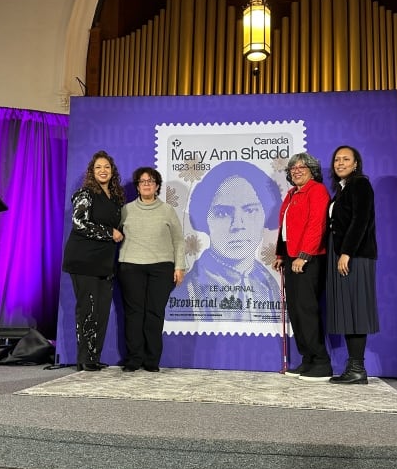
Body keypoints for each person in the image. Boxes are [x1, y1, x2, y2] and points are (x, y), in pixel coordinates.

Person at [170, 161, 282, 321]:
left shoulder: (270, 285)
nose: (237, 225)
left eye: (250, 210)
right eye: (223, 213)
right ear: (205, 219)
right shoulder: (187, 292)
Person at [271, 152, 332, 381]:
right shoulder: (291, 194)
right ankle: (307, 360)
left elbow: (316, 225)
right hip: (291, 257)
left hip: (308, 259)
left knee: (306, 310)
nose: (296, 171)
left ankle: (321, 362)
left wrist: (304, 256)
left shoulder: (316, 190)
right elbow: (286, 228)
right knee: (296, 312)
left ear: (312, 170)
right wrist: (280, 254)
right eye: (293, 168)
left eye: (302, 167)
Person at [62, 150, 125, 371]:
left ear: (112, 171)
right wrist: (110, 233)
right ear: (92, 171)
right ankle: (85, 359)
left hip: (104, 263)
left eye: (106, 167)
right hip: (83, 260)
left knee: (101, 311)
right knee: (87, 310)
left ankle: (93, 357)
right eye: (98, 167)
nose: (103, 171)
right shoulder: (85, 194)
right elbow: (79, 223)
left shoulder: (116, 199)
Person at [118, 167, 186, 372]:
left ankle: (151, 360)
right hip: (131, 266)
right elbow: (113, 232)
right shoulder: (126, 210)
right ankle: (134, 359)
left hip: (161, 268)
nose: (147, 184)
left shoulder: (167, 210)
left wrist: (179, 266)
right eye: (142, 181)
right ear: (137, 186)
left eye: (151, 181)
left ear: (157, 186)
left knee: (154, 313)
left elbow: (178, 240)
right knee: (133, 314)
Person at [326, 145, 379, 385]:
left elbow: (360, 221)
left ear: (356, 163)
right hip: (343, 256)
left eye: (346, 159)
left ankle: (357, 368)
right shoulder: (342, 190)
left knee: (356, 310)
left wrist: (346, 252)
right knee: (349, 311)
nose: (340, 163)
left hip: (355, 257)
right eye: (337, 159)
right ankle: (354, 367)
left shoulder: (360, 185)